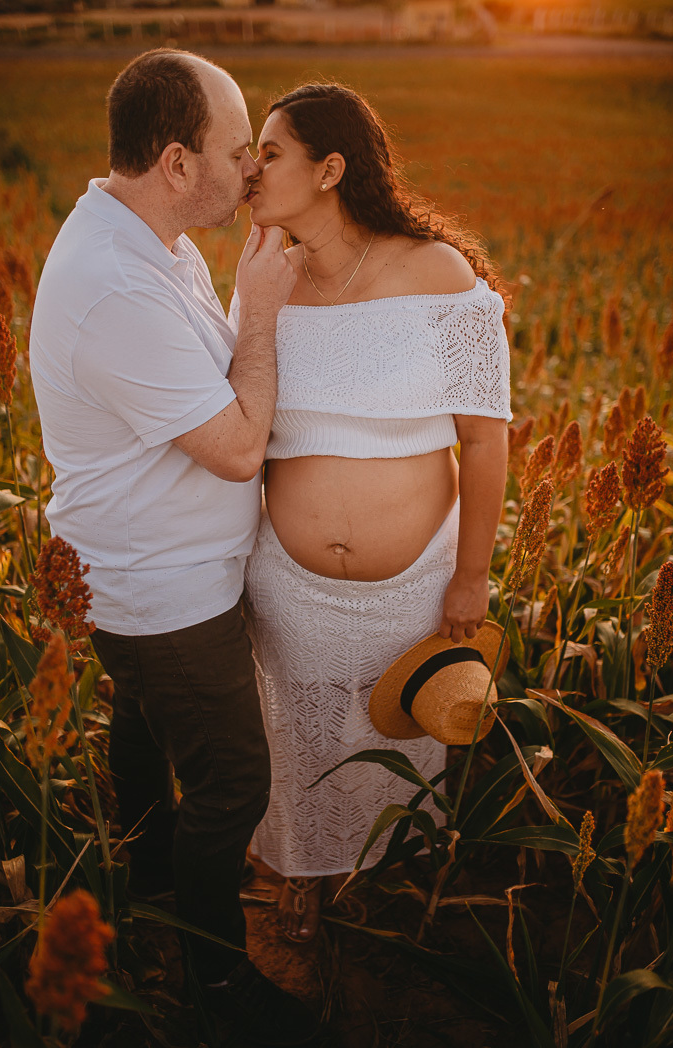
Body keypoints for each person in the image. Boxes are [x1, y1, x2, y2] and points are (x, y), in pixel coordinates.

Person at [29, 50, 319, 1046]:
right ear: (176, 162)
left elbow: (207, 387)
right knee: (234, 776)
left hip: (146, 578)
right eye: (237, 152)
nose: (253, 169)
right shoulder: (119, 287)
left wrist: (247, 306)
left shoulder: (155, 241)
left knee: (147, 745)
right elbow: (237, 447)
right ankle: (218, 985)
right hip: (165, 597)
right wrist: (268, 313)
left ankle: (143, 898)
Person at [235, 83, 512, 943]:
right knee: (295, 740)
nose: (250, 168)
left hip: (414, 584)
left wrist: (471, 575)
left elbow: (485, 438)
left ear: (330, 169)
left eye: (269, 152)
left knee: (387, 741)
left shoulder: (436, 274)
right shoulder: (263, 285)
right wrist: (252, 303)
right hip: (288, 584)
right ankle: (296, 887)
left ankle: (377, 885)